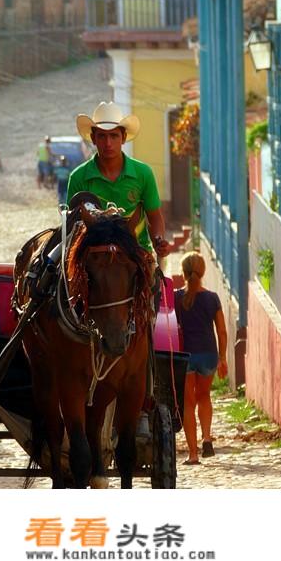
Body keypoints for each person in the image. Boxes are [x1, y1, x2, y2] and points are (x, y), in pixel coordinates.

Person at [67, 101, 170, 257]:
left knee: (158, 282)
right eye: (102, 136)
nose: (108, 143)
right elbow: (71, 226)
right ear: (93, 138)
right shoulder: (78, 177)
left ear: (123, 137)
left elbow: (155, 216)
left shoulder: (143, 173)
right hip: (94, 257)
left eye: (114, 136)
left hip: (138, 253)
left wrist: (159, 240)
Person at [174, 251, 228, 465]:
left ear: (183, 272)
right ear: (203, 271)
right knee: (204, 396)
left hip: (185, 356)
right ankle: (207, 438)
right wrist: (222, 358)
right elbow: (222, 332)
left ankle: (193, 454)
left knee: (188, 403)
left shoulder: (177, 297)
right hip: (208, 355)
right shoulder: (212, 298)